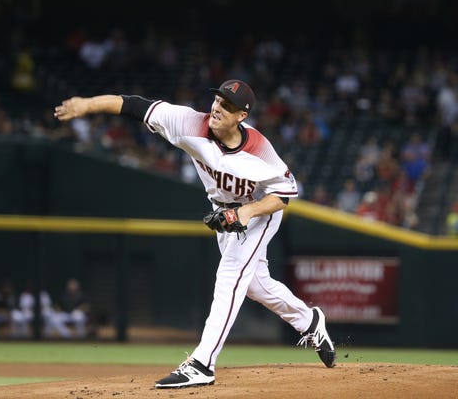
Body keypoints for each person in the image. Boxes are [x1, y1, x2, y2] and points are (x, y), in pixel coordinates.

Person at [54, 79, 336, 389]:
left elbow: (282, 196)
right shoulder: (188, 123)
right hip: (224, 211)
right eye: (217, 99)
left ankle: (203, 363)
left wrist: (244, 213)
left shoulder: (261, 153)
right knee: (255, 284)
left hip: (260, 209)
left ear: (242, 116)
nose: (217, 107)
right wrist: (87, 104)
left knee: (230, 275)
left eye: (227, 105)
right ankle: (309, 321)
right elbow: (133, 104)